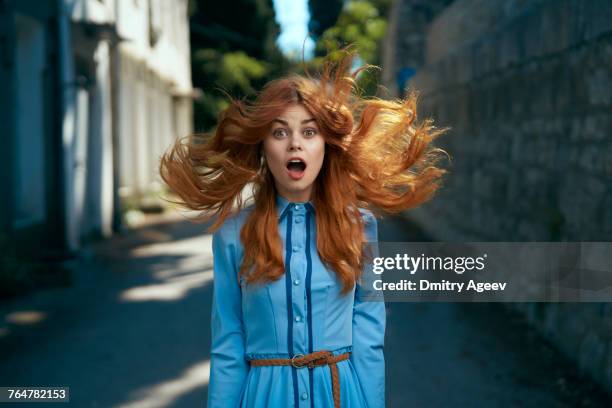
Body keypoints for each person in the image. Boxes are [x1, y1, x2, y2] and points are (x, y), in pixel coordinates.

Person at [159, 48, 448, 408]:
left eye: (309, 132)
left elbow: (370, 336)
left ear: (326, 147)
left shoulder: (359, 226)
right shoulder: (233, 234)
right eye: (280, 133)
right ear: (263, 148)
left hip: (341, 397)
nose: (295, 142)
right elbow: (228, 344)